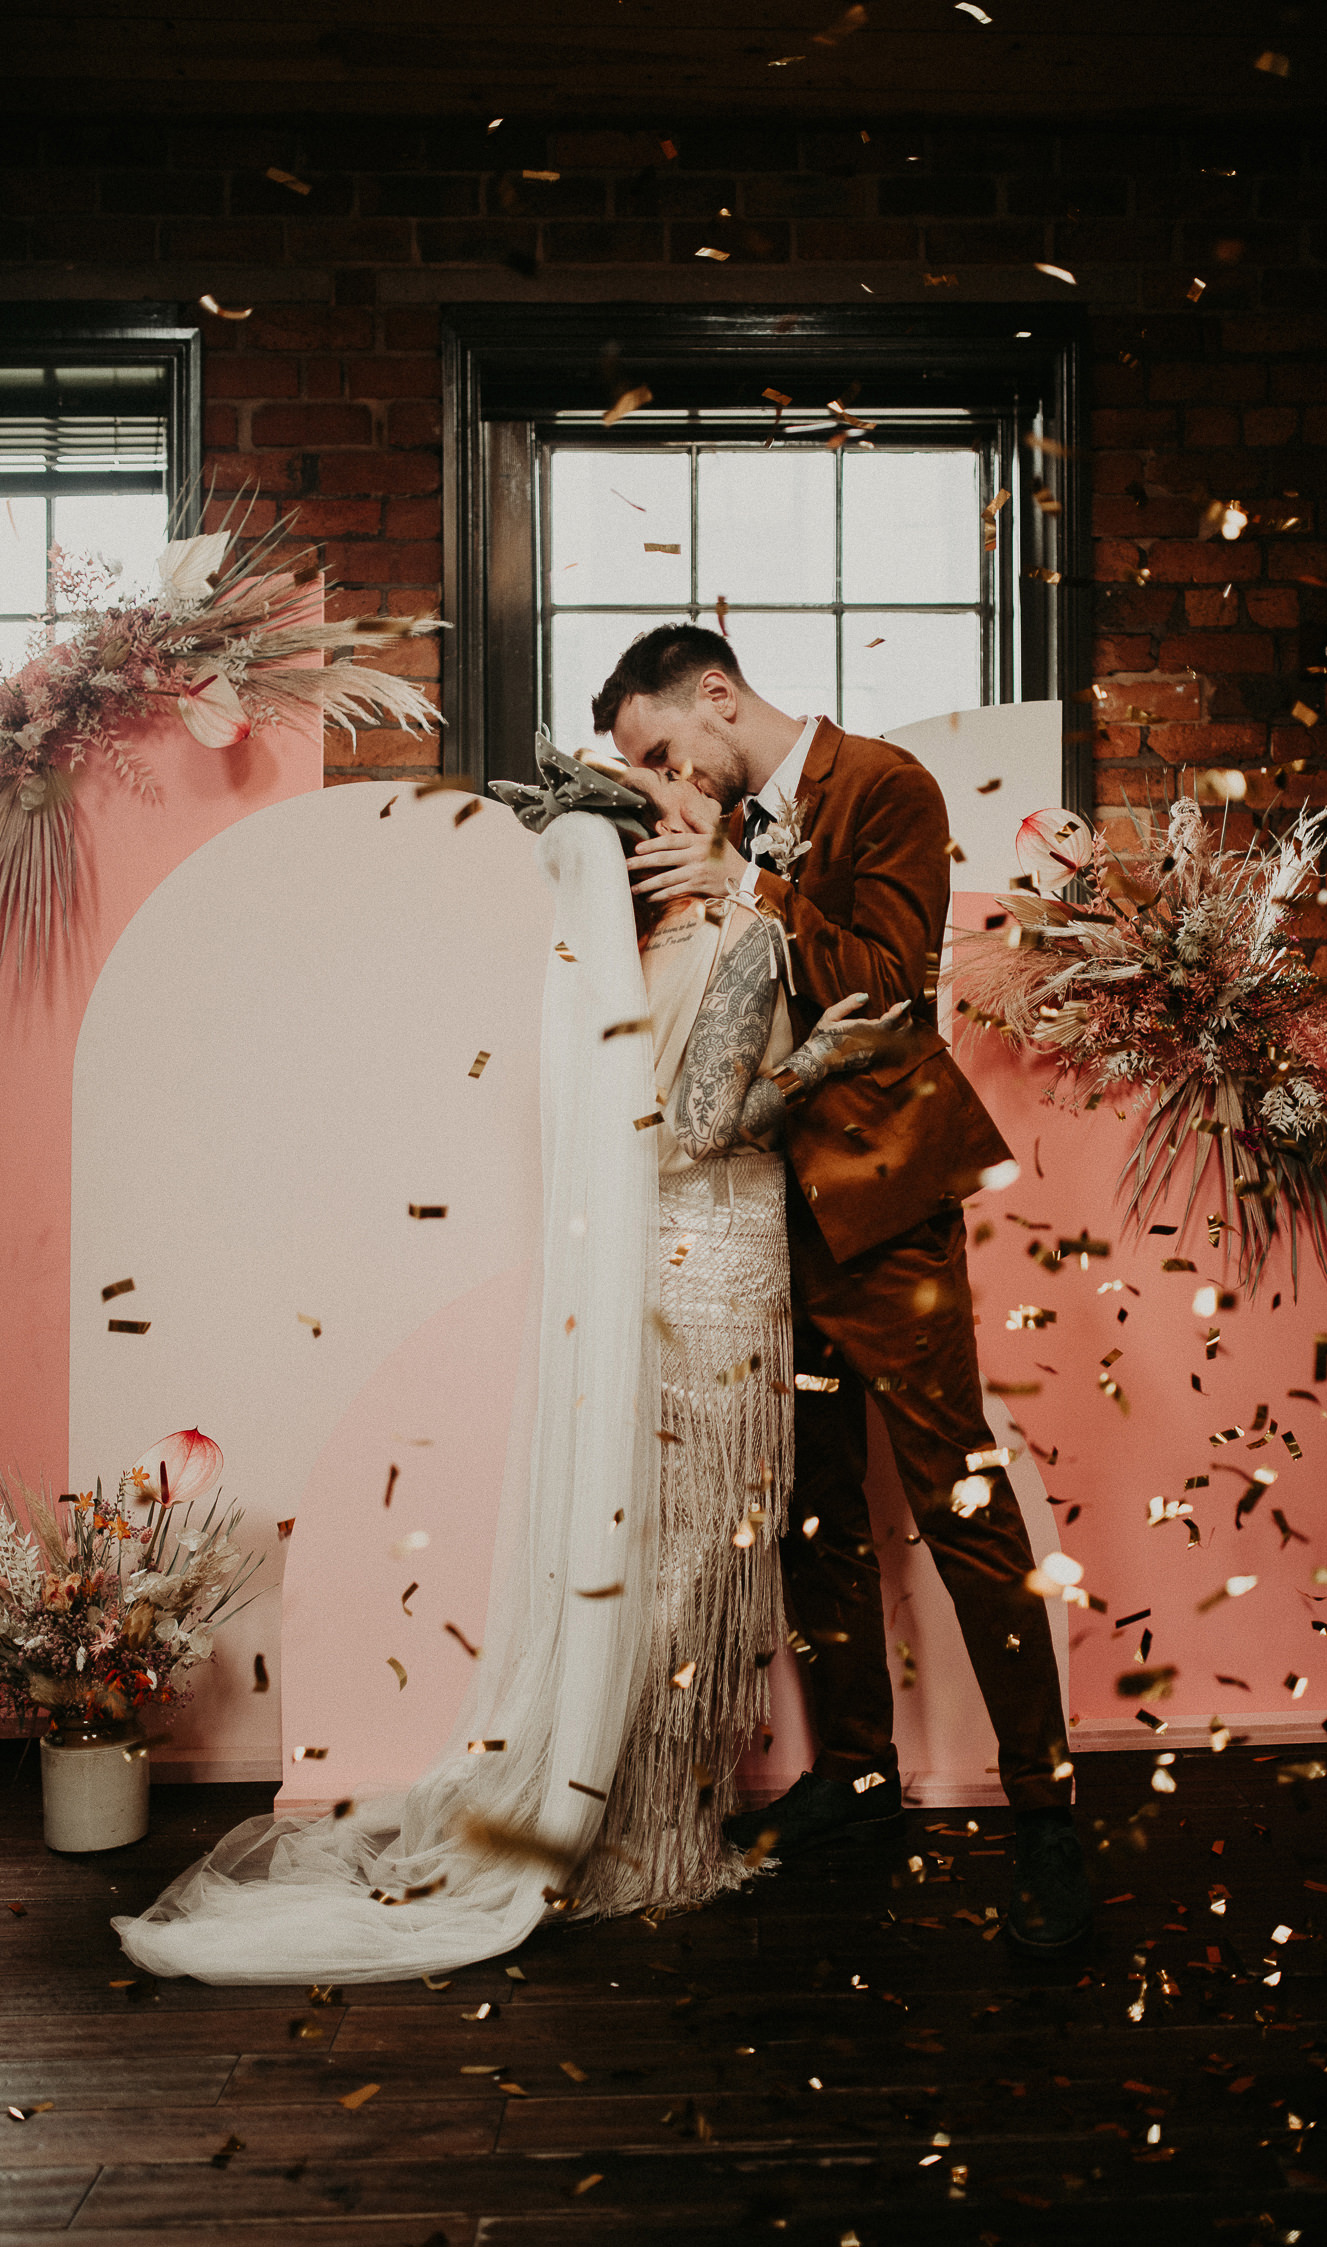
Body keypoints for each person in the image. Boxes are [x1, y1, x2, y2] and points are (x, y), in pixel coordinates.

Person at [109, 752, 891, 1983]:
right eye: (678, 797)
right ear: (658, 847)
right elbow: (698, 1128)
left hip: (653, 1286)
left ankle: (622, 1813)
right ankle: (646, 1842)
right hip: (725, 1280)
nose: (702, 799)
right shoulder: (736, 943)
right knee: (693, 1567)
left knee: (657, 1562)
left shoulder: (609, 971)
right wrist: (819, 1062)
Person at [594, 622, 1092, 1955]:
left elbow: (885, 979)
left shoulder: (886, 785)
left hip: (884, 1214)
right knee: (812, 1506)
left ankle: (1047, 1807)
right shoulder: (736, 823)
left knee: (956, 1493)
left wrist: (739, 888)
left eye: (659, 750)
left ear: (716, 695)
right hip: (769, 1218)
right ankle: (859, 1773)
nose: (663, 778)